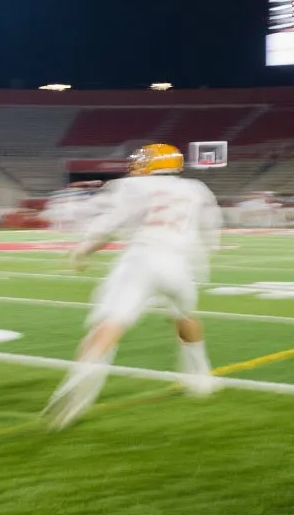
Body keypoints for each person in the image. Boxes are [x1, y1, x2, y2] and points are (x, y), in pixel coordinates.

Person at [44, 143, 223, 430]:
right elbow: (211, 231)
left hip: (141, 259)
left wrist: (83, 251)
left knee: (110, 324)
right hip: (179, 264)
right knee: (185, 314)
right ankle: (200, 377)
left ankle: (77, 387)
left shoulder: (132, 187)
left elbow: (108, 226)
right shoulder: (196, 188)